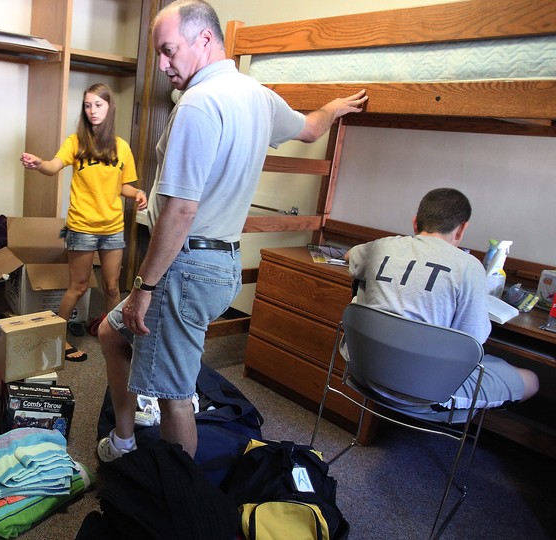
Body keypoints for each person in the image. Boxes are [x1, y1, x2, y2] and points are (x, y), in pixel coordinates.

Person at [95, 0, 368, 462]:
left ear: (204, 40)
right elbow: (307, 128)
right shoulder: (257, 95)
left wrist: (145, 285)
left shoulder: (198, 105)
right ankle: (125, 439)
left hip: (183, 267)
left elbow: (180, 211)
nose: (163, 66)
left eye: (168, 51)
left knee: (175, 395)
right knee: (110, 333)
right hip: (220, 263)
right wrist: (332, 108)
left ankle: (179, 506)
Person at [344, 187, 538, 413]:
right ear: (462, 228)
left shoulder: (381, 246)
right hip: (426, 390)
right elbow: (472, 342)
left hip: (365, 370)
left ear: (415, 223)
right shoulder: (468, 267)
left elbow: (350, 256)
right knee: (531, 380)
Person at [21, 83, 147, 363]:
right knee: (78, 286)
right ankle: (55, 336)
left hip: (113, 227)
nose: (92, 111)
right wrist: (38, 162)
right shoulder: (76, 142)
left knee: (113, 288)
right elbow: (54, 167)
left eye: (98, 105)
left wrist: (138, 193)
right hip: (82, 227)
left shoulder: (121, 147)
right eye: (88, 105)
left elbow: (124, 186)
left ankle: (114, 336)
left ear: (109, 108)